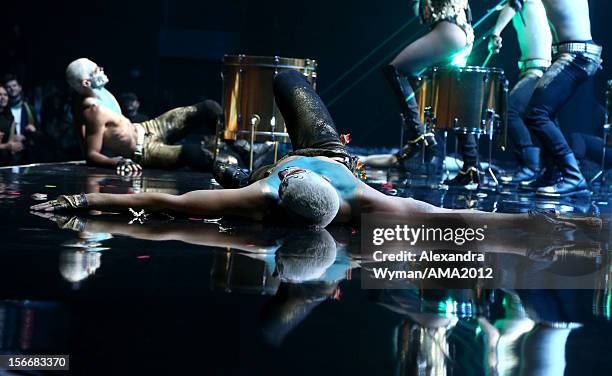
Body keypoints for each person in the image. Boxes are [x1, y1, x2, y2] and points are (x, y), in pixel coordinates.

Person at [32, 71, 600, 232]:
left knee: (278, 85)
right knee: (283, 79)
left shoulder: (261, 194)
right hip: (329, 149)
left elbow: (165, 208)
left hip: (289, 163)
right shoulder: (372, 206)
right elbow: (455, 217)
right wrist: (542, 225)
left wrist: (77, 206)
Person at [66, 58, 222, 174]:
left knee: (208, 107)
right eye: (95, 71)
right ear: (86, 83)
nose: (101, 69)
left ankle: (237, 145)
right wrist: (116, 162)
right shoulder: (93, 111)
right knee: (195, 154)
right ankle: (231, 168)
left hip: (148, 128)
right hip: (144, 151)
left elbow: (78, 122)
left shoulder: (101, 93)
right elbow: (91, 154)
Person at [384, 0, 480, 186]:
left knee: (395, 70)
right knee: (453, 95)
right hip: (464, 33)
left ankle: (419, 136)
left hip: (449, 30)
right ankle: (470, 167)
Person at [518, 0, 602, 197]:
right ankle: (551, 175)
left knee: (537, 113)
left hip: (576, 54)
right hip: (575, 52)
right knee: (546, 113)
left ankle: (573, 176)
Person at [487, 0, 553, 186]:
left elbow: (512, 5)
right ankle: (545, 168)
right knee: (539, 118)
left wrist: (495, 32)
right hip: (535, 69)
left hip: (538, 70)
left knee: (510, 111)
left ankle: (531, 166)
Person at [4, 74, 36, 164]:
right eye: (8, 87)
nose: (12, 89)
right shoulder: (3, 109)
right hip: (7, 153)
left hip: (26, 153)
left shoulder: (29, 108)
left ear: (19, 88)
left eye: (14, 86)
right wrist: (10, 137)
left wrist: (30, 132)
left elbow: (39, 130)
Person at [0, 86, 24, 165]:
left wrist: (15, 145)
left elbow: (10, 142)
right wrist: (6, 146)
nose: (3, 97)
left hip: (6, 162)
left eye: (5, 95)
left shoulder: (10, 117)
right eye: (0, 95)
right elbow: (7, 145)